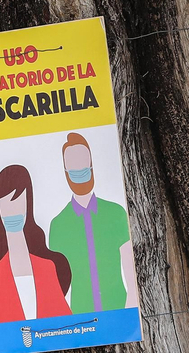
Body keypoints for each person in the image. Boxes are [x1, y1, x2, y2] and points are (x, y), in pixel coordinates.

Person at [46, 132, 137, 313]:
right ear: (65, 171)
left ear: (91, 164)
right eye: (73, 166)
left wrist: (130, 308)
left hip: (118, 308)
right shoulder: (58, 225)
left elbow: (130, 266)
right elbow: (56, 284)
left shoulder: (115, 213)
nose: (79, 170)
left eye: (83, 163)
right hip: (81, 315)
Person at [0, 164, 72, 324]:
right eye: (6, 203)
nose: (13, 211)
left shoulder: (49, 268)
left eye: (18, 201)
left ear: (28, 203)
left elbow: (65, 323)